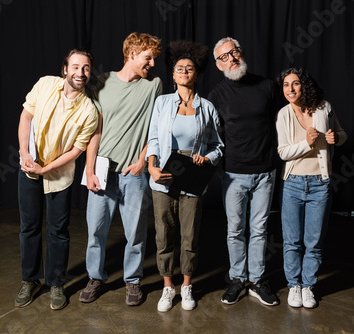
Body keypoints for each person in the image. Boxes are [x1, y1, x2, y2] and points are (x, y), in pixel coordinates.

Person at [79, 32, 162, 306]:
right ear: (131, 54)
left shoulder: (154, 86)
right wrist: (89, 170)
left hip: (134, 172)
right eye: (147, 57)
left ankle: (133, 281)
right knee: (96, 230)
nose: (152, 63)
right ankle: (96, 277)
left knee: (136, 231)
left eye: (154, 58)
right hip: (103, 170)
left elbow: (155, 129)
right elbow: (95, 131)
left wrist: (142, 161)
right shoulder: (102, 83)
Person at [15, 49, 98, 310]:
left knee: (58, 231)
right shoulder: (44, 84)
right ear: (65, 69)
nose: (80, 73)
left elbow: (77, 150)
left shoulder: (89, 110)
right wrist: (24, 152)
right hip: (29, 168)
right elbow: (26, 116)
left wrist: (47, 168)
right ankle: (30, 280)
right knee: (29, 227)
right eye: (75, 67)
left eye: (85, 68)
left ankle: (56, 283)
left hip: (59, 176)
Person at [146, 41, 224, 312]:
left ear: (196, 74)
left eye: (189, 68)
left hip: (193, 176)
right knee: (164, 232)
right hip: (165, 173)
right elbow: (154, 138)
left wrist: (208, 157)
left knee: (190, 234)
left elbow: (218, 145)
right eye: (179, 68)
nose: (183, 72)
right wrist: (152, 167)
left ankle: (187, 285)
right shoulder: (162, 103)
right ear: (173, 74)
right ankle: (168, 287)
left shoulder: (208, 107)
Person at [208, 37, 279, 306]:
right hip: (233, 173)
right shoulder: (217, 95)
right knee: (235, 230)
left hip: (265, 171)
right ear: (218, 64)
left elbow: (280, 123)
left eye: (234, 52)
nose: (231, 58)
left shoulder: (266, 86)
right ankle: (238, 278)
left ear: (242, 52)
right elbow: (212, 136)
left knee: (259, 229)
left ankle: (257, 280)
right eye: (224, 57)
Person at [276, 67, 347, 308]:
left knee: (314, 241)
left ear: (304, 86)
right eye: (286, 85)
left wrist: (336, 138)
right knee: (292, 241)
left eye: (295, 84)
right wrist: (306, 143)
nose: (290, 89)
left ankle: (308, 286)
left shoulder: (323, 107)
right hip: (293, 183)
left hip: (320, 184)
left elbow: (341, 133)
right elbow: (283, 152)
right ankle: (293, 285)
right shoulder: (283, 115)